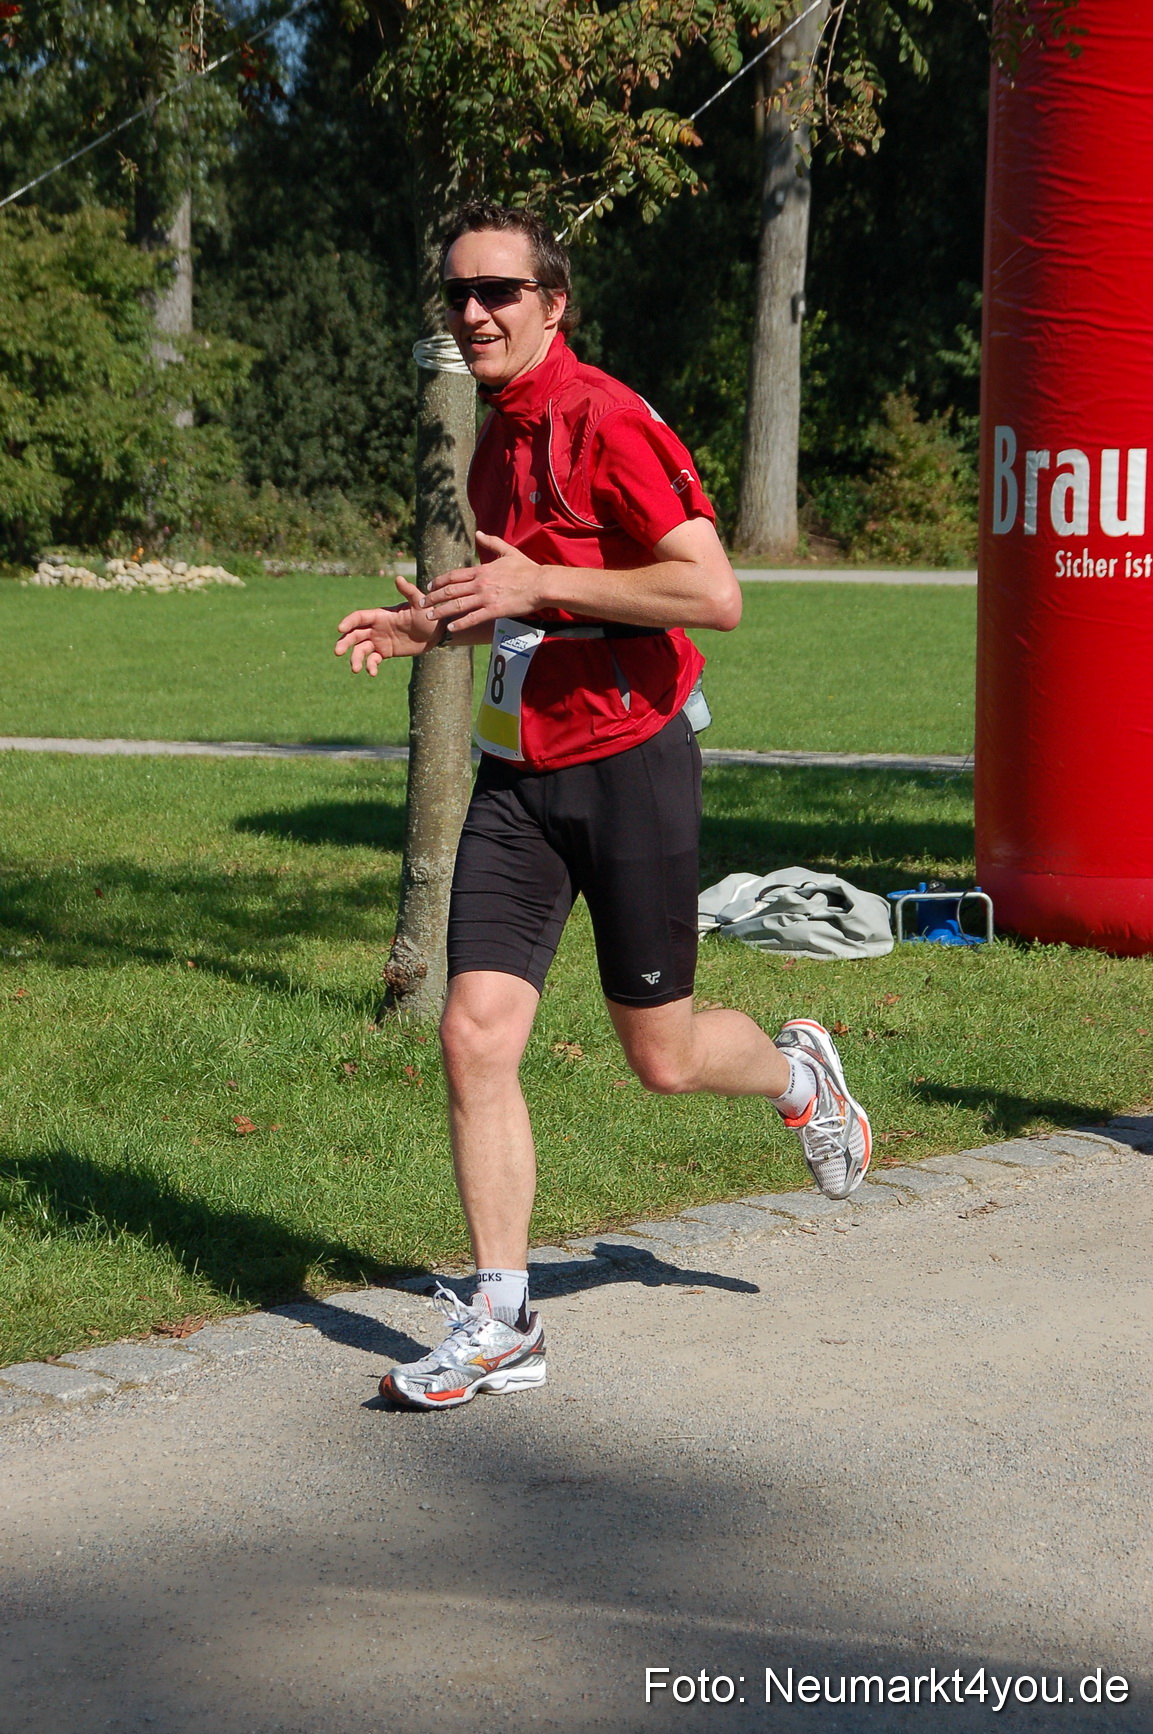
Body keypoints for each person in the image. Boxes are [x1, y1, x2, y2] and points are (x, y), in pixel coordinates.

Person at [335, 201, 871, 1409]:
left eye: (500, 294)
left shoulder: (607, 418)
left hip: (632, 762)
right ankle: (504, 1318)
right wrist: (424, 620)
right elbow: (507, 595)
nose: (474, 312)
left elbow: (713, 593)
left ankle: (800, 1079)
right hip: (519, 776)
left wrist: (542, 578)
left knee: (662, 1059)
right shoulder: (491, 435)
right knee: (472, 1033)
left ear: (551, 304)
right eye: (459, 293)